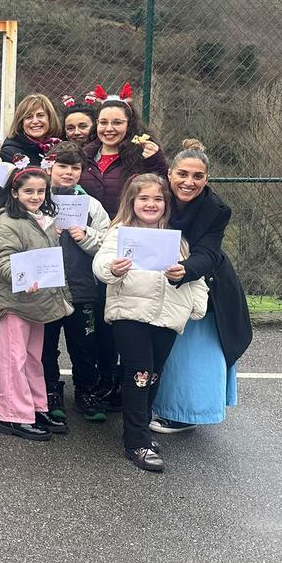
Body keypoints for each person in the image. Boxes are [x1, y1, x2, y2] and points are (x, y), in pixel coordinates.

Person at [94, 174, 208, 472]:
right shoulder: (120, 233)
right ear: (132, 202)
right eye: (144, 198)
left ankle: (141, 428)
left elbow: (194, 275)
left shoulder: (178, 238)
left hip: (168, 315)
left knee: (154, 374)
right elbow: (101, 263)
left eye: (157, 199)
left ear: (166, 204)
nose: (151, 204)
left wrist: (195, 304)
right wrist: (113, 269)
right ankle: (136, 442)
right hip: (130, 313)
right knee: (139, 372)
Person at [152, 141, 252, 434]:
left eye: (197, 176)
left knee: (194, 351)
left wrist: (187, 269)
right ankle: (153, 404)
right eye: (182, 174)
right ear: (170, 173)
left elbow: (209, 252)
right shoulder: (156, 196)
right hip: (156, 281)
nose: (189, 182)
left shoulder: (217, 209)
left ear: (206, 178)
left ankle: (186, 413)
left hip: (204, 283)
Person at [78, 97, 168, 411]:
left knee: (126, 317)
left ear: (129, 126)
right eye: (103, 122)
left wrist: (157, 161)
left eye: (117, 122)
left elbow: (161, 188)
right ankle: (105, 379)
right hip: (88, 243)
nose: (109, 128)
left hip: (131, 244)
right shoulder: (84, 155)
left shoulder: (141, 156)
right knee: (100, 316)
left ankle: (126, 380)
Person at [0, 166, 73, 441]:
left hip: (39, 299)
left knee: (32, 358)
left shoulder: (45, 220)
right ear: (15, 193)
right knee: (15, 358)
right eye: (28, 191)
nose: (35, 196)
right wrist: (20, 277)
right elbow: (2, 258)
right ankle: (13, 415)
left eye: (40, 191)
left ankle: (37, 407)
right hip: (15, 301)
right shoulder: (7, 222)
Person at [42, 143, 109, 423]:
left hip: (81, 289)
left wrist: (86, 236)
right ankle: (50, 391)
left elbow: (108, 244)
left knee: (84, 345)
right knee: (46, 346)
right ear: (50, 168)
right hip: (46, 288)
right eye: (63, 166)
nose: (69, 173)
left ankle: (86, 391)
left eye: (75, 168)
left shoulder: (91, 205)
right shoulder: (37, 198)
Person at [0, 93, 62, 164]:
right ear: (21, 122)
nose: (35, 121)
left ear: (50, 118)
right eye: (29, 117)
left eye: (40, 115)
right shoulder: (10, 153)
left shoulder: (61, 148)